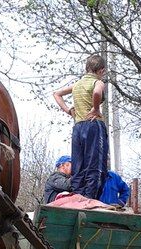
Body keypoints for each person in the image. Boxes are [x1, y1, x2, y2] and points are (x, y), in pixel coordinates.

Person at [53, 54, 108, 200]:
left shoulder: (77, 85)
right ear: (101, 70)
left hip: (78, 127)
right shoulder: (98, 82)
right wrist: (96, 108)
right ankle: (90, 199)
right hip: (93, 126)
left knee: (78, 166)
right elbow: (97, 92)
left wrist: (68, 110)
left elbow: (57, 94)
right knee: (95, 165)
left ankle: (77, 197)